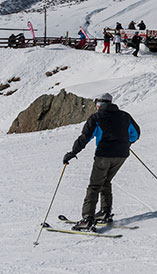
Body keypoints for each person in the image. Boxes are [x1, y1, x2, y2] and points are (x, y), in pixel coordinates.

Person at [63, 93, 140, 230]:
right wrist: (126, 143)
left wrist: (72, 153)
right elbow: (136, 133)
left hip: (104, 155)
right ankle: (105, 212)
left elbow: (84, 138)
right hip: (121, 155)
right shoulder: (124, 116)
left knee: (94, 185)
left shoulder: (96, 118)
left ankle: (87, 218)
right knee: (105, 181)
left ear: (99, 104)